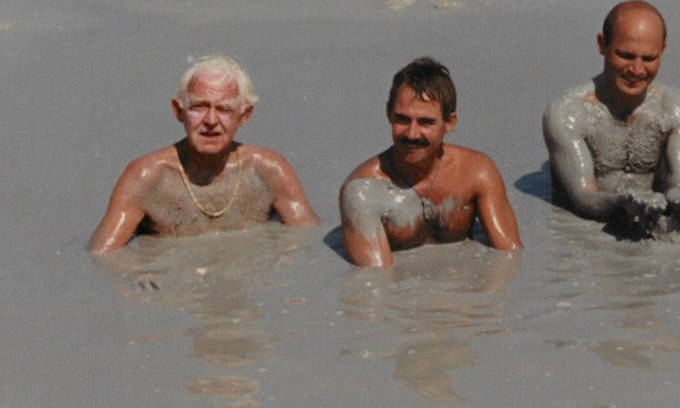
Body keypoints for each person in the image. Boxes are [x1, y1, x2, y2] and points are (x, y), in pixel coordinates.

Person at [88, 55, 319, 253]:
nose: (210, 120)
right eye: (199, 107)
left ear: (244, 115)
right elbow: (102, 256)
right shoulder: (146, 177)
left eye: (224, 109)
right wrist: (137, 274)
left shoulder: (268, 170)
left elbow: (310, 240)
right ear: (179, 111)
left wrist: (284, 261)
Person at [339, 57, 522, 267]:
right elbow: (376, 280)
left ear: (450, 122)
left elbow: (511, 257)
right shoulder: (363, 191)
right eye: (402, 119)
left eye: (425, 122)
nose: (412, 134)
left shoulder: (476, 172)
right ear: (389, 114)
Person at [543, 0, 680, 238]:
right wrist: (622, 201)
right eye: (626, 56)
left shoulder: (678, 108)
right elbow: (582, 196)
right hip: (588, 232)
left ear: (663, 50)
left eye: (649, 58)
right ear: (602, 45)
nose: (637, 70)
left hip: (652, 221)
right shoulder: (567, 112)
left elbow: (679, 182)